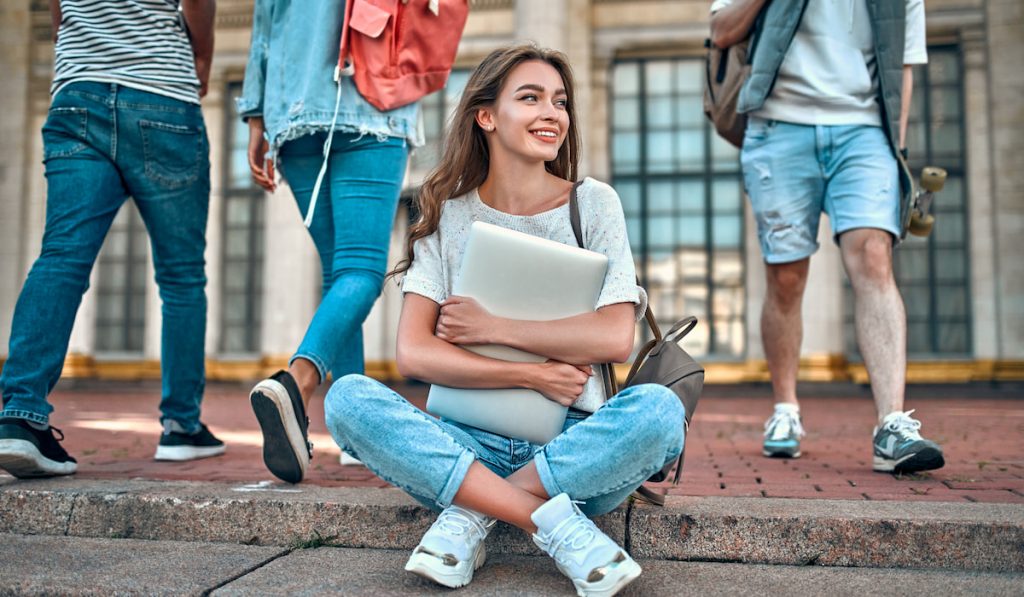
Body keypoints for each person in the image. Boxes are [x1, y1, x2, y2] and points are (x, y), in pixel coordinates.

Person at [323, 45, 684, 596]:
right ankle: (555, 523)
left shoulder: (593, 204)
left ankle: (472, 512)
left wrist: (494, 328)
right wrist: (533, 375)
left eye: (560, 102)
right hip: (467, 440)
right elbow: (415, 354)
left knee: (660, 413)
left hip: (576, 446)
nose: (553, 114)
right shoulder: (447, 213)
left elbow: (614, 336)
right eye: (531, 97)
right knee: (346, 399)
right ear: (486, 115)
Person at [710, 0, 944, 474]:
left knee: (874, 257)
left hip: (864, 133)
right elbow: (720, 31)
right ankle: (786, 411)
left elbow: (903, 67)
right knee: (786, 278)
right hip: (778, 127)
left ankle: (892, 424)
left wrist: (896, 150)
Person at [0, 0, 224, 478]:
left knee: (60, 257)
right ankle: (182, 426)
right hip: (161, 92)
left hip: (77, 94)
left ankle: (20, 416)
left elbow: (61, 13)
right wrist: (201, 58)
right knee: (182, 277)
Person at [236, 0, 420, 484]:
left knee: (339, 274)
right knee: (360, 271)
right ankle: (297, 382)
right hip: (372, 103)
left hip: (293, 115)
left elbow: (265, 24)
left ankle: (353, 433)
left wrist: (256, 117)